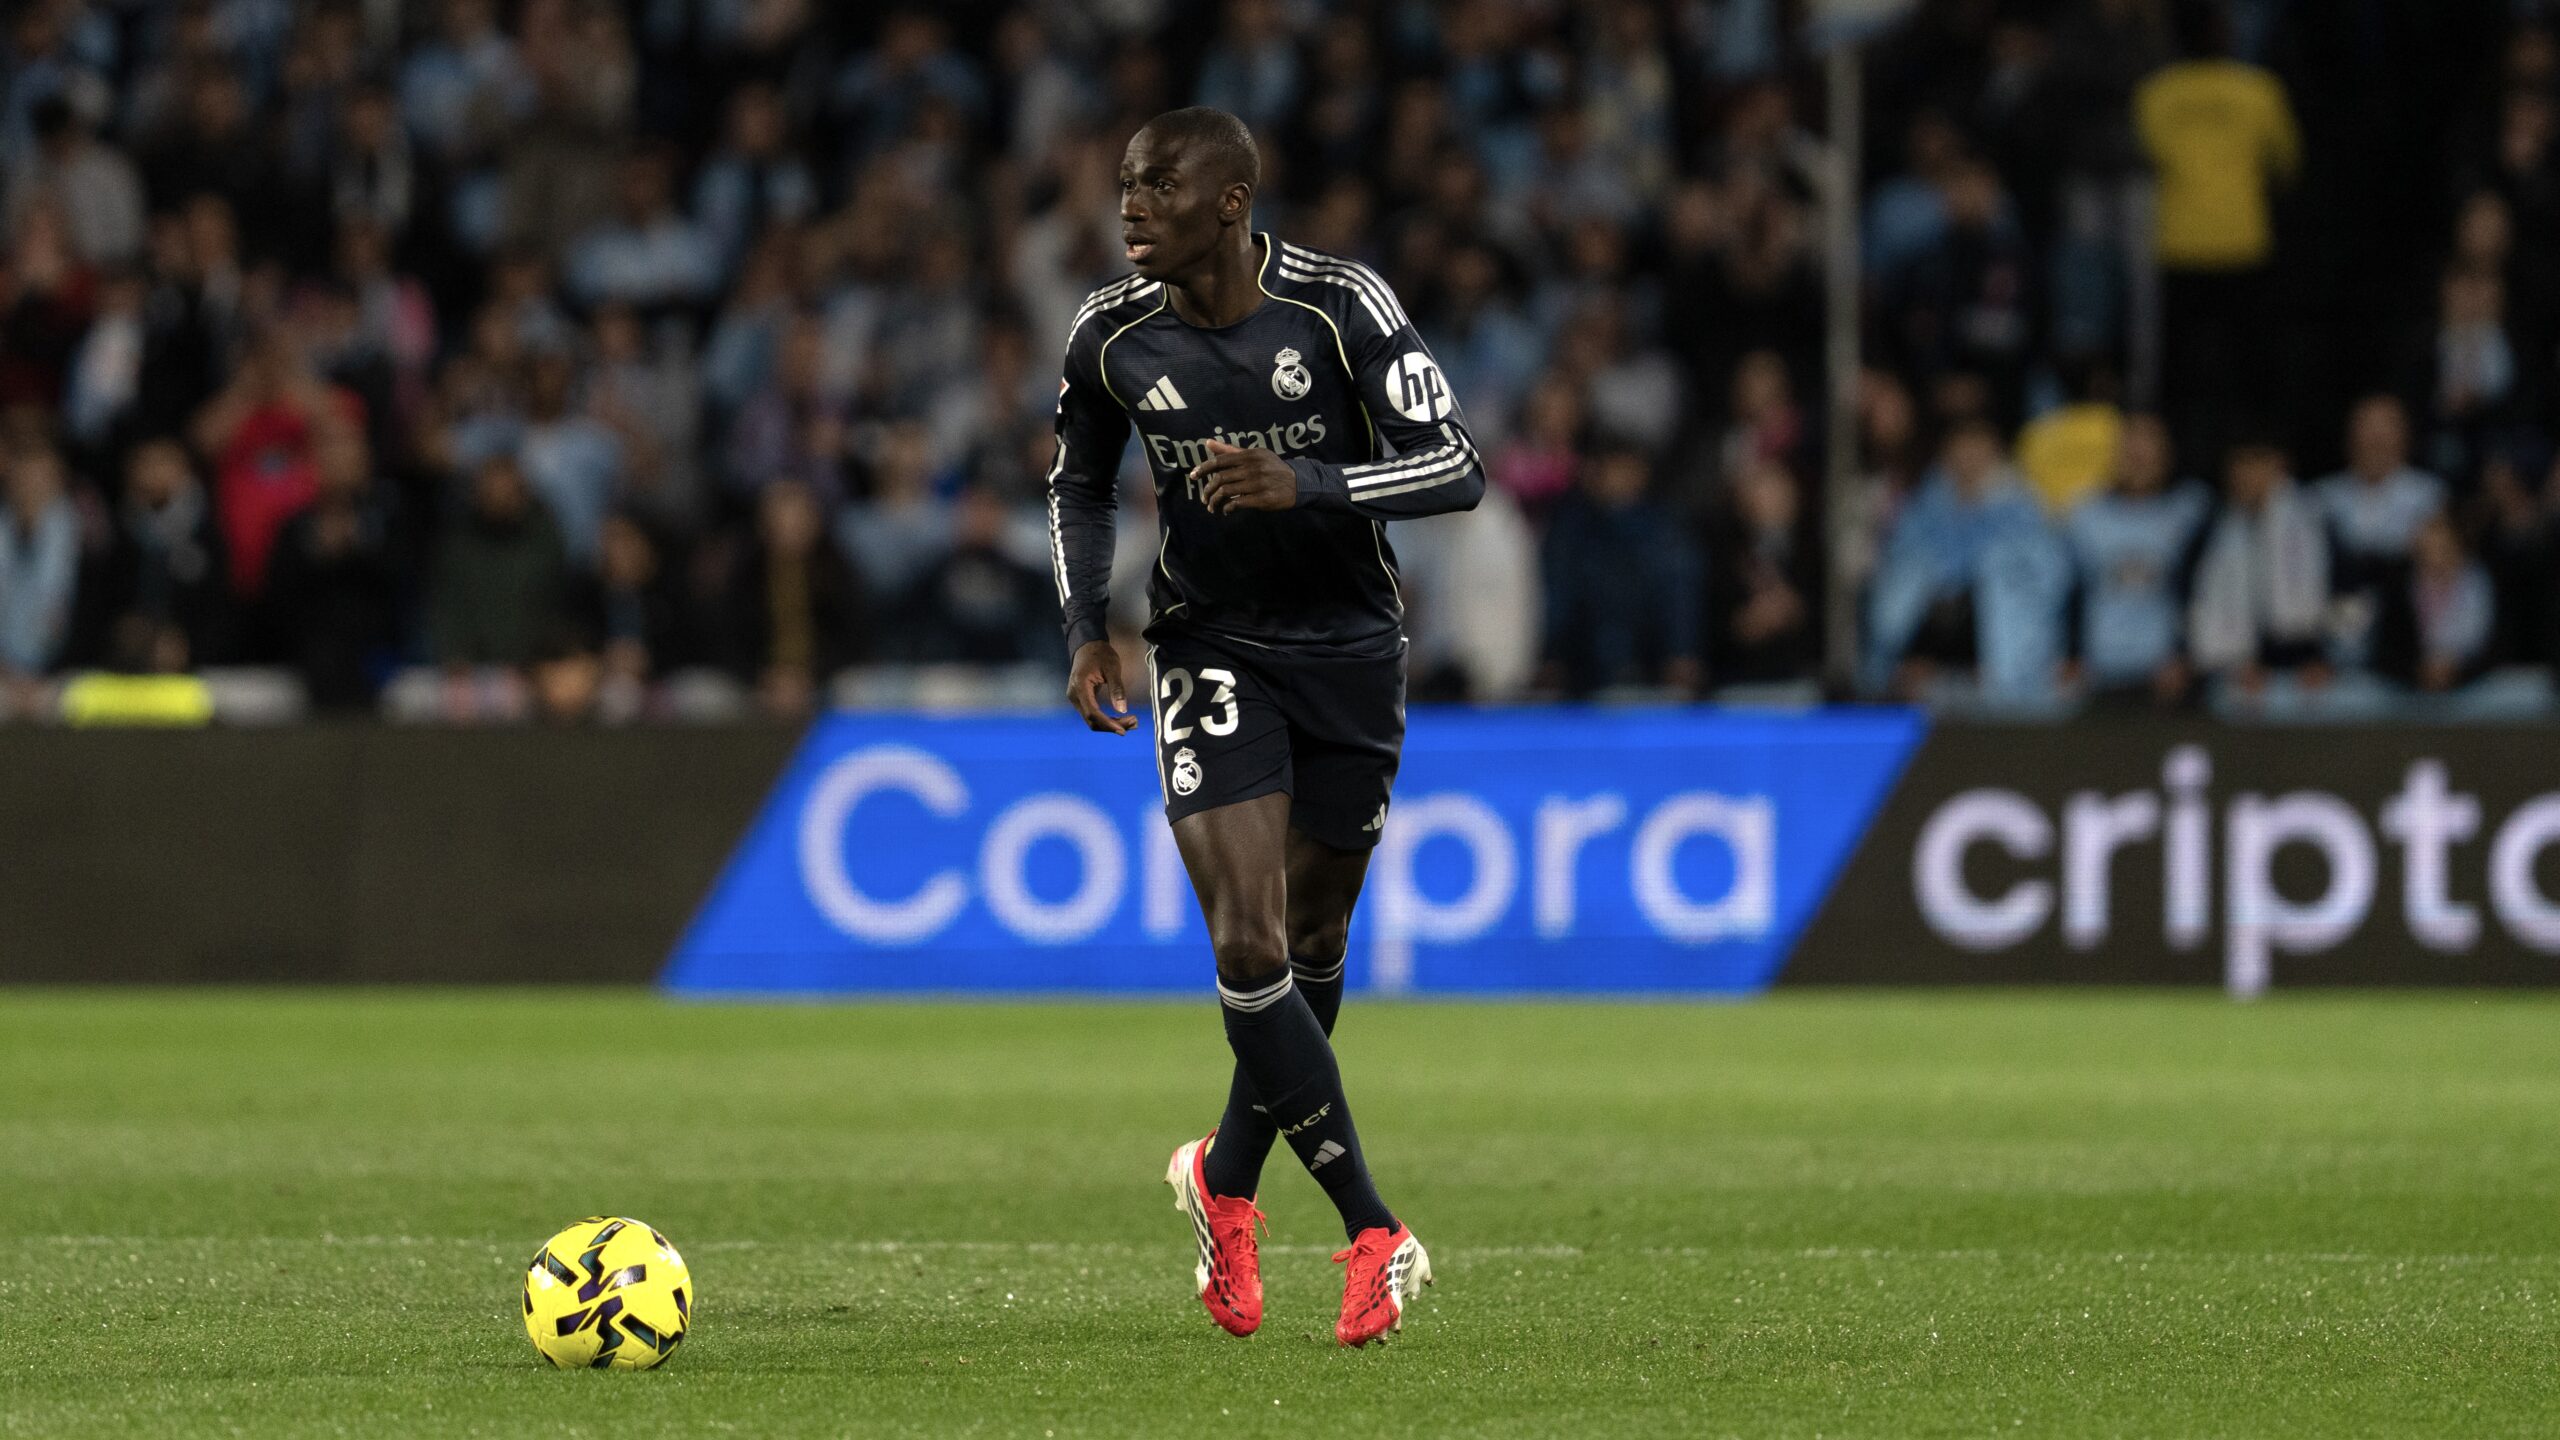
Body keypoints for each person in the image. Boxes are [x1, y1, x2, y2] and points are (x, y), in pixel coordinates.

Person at [1046, 108, 1480, 1347]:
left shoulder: (1338, 307)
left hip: (1348, 651)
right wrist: (1086, 624)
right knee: (1247, 940)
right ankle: (1372, 1229)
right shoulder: (1109, 333)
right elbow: (1076, 480)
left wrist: (1313, 483)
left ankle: (1223, 1181)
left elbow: (1454, 464)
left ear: (1229, 202)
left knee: (1314, 934)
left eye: (1157, 185)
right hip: (1209, 645)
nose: (1130, 204)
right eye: (1124, 183)